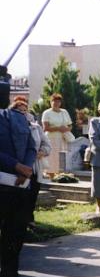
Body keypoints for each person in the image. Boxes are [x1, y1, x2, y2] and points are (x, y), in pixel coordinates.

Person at [0, 102, 36, 277]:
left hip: (18, 185)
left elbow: (31, 146)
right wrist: (15, 166)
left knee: (15, 231)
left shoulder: (18, 117)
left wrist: (25, 169)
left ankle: (9, 274)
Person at [9, 97, 50, 228]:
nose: (24, 114)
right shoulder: (9, 127)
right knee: (18, 195)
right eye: (20, 111)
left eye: (25, 111)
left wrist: (41, 152)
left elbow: (47, 145)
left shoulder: (36, 127)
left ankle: (29, 219)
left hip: (34, 167)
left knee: (32, 194)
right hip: (17, 167)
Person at [42, 93, 73, 176]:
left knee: (61, 159)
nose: (56, 103)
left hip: (63, 138)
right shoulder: (47, 113)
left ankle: (61, 175)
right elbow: (45, 128)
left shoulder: (64, 112)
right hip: (51, 139)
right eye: (54, 101)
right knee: (52, 159)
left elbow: (70, 125)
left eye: (58, 101)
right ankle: (50, 175)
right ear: (50, 102)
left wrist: (66, 129)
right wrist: (59, 128)